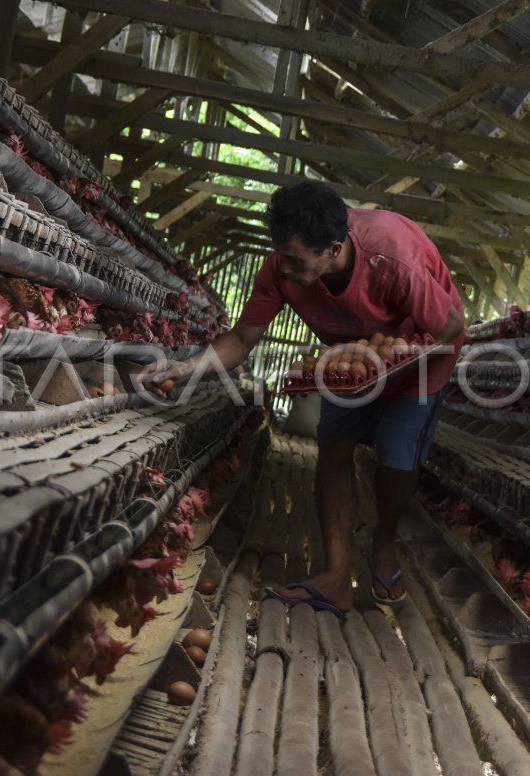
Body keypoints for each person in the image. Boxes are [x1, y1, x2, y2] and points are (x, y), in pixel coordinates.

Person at [140, 180, 465, 614]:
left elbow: (448, 326)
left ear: (333, 249)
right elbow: (241, 339)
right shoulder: (280, 267)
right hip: (350, 359)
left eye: (295, 259)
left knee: (396, 453)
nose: (285, 268)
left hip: (419, 355)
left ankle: (384, 541)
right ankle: (336, 577)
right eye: (281, 255)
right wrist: (186, 368)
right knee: (333, 445)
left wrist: (389, 360)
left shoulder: (393, 256)